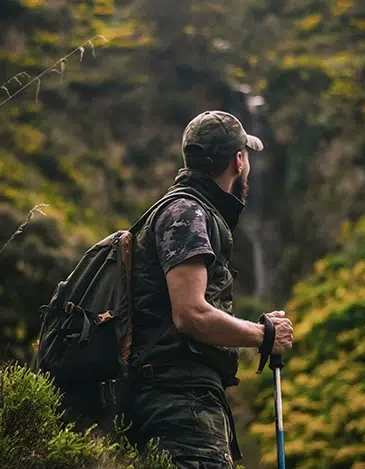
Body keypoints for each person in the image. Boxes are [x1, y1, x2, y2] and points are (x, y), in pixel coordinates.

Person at [128, 110, 293, 468]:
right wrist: (263, 334)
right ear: (238, 160)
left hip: (181, 401)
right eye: (246, 155)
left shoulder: (186, 209)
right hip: (180, 408)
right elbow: (190, 314)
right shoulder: (187, 212)